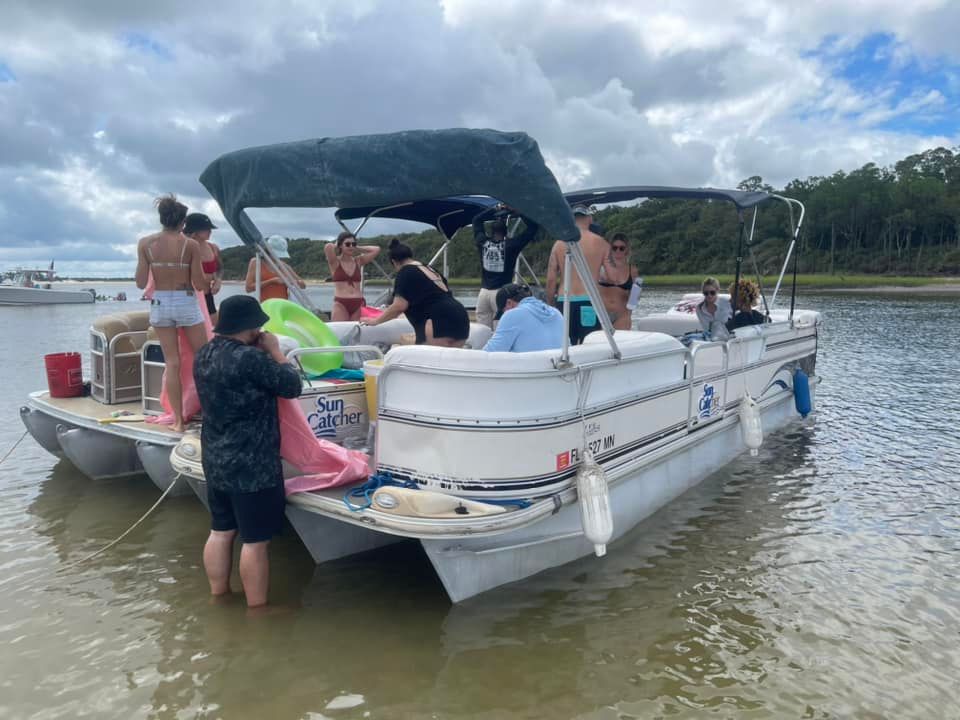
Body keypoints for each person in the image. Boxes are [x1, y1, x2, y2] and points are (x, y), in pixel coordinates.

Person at [193, 295, 303, 610]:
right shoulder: (250, 359)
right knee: (255, 541)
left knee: (221, 530)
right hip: (253, 464)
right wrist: (276, 351)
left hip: (216, 457)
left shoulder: (204, 354)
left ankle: (219, 596)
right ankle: (257, 609)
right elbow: (292, 386)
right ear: (251, 327)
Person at [135, 194, 209, 432]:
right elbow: (199, 283)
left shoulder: (145, 244)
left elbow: (140, 282)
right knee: (204, 358)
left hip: (160, 302)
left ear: (162, 218)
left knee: (172, 362)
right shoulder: (190, 245)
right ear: (183, 222)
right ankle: (211, 413)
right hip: (185, 299)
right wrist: (208, 281)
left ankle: (178, 421)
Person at [363, 238, 469, 347]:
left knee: (429, 357)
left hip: (437, 321)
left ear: (394, 262)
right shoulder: (430, 269)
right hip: (461, 319)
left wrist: (376, 321)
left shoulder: (405, 272)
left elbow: (399, 306)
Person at [545, 205, 610, 344]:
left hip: (564, 301)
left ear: (571, 220)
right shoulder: (601, 243)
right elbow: (611, 277)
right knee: (590, 344)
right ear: (590, 219)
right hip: (589, 301)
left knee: (566, 345)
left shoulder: (559, 244)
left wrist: (551, 304)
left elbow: (551, 280)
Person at [472, 206, 540, 329]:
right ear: (506, 232)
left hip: (483, 293)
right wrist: (518, 211)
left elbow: (477, 220)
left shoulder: (482, 242)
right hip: (501, 293)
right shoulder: (511, 246)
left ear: (491, 231)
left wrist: (495, 209)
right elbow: (533, 227)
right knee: (501, 329)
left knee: (483, 331)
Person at [483, 283, 564, 353]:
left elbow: (491, 352)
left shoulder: (512, 315)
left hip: (529, 366)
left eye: (503, 311)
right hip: (557, 365)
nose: (504, 314)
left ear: (509, 303)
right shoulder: (557, 313)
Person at [324, 231, 381, 321]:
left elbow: (376, 249)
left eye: (353, 244)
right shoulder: (335, 262)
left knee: (355, 329)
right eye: (347, 244)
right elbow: (328, 247)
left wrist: (357, 248)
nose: (351, 246)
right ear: (340, 245)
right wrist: (337, 244)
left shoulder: (358, 261)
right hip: (341, 303)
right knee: (341, 329)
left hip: (358, 303)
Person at [183, 212, 222, 324]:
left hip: (207, 295)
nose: (210, 231)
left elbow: (220, 268)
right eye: (206, 229)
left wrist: (218, 281)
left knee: (213, 326)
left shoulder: (212, 247)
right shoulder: (183, 248)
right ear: (195, 231)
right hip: (189, 296)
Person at [244, 235, 307, 302]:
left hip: (283, 305)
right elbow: (248, 288)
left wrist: (292, 281)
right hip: (265, 306)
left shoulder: (284, 266)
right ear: (268, 251)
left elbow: (303, 286)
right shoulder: (256, 262)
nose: (279, 257)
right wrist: (271, 281)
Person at [599, 232, 639, 331]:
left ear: (627, 249)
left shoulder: (633, 270)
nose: (618, 251)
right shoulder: (601, 267)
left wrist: (628, 315)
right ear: (610, 249)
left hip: (622, 316)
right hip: (601, 314)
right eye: (614, 248)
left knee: (621, 339)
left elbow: (634, 299)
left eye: (621, 248)